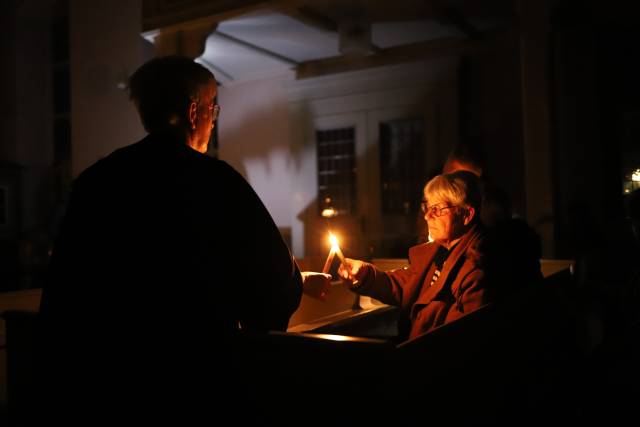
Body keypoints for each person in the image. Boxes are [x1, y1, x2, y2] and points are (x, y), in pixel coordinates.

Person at [36, 55, 327, 423]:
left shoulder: (97, 182)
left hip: (106, 385)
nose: (213, 120)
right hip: (197, 381)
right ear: (194, 113)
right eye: (213, 109)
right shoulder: (218, 183)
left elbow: (64, 290)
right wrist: (294, 284)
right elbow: (272, 284)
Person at [338, 170, 488, 340]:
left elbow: (457, 343)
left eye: (437, 209)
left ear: (467, 214)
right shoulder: (441, 253)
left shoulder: (475, 272)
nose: (427, 216)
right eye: (428, 207)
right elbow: (405, 285)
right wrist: (364, 275)